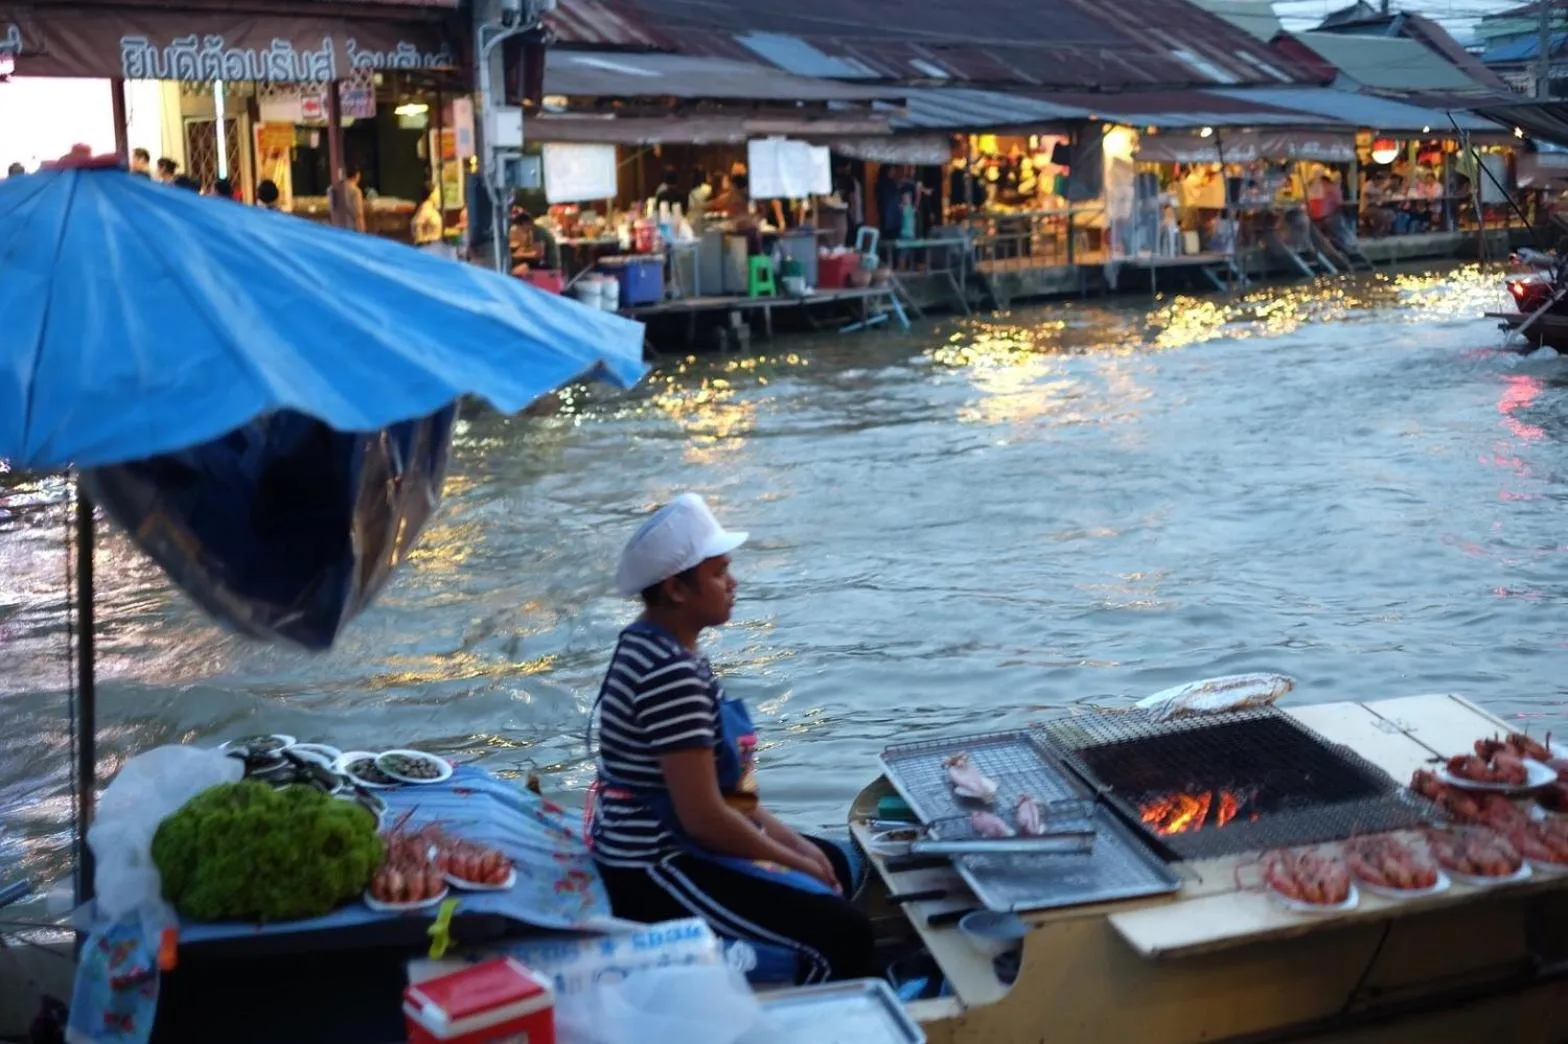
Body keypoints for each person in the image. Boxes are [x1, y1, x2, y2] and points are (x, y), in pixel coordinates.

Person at [586, 494, 874, 984]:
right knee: (845, 936)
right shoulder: (668, 673)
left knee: (836, 864)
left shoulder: (663, 647)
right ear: (676, 589)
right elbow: (703, 819)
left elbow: (732, 799)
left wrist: (801, 853)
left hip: (686, 839)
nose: (733, 583)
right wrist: (792, 860)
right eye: (720, 573)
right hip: (655, 865)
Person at [329, 166, 366, 232]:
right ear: (357, 175)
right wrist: (362, 233)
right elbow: (358, 215)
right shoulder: (355, 191)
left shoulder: (333, 189)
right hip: (351, 230)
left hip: (336, 229)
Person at [412, 181, 444, 250]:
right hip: (429, 248)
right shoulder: (425, 210)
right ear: (431, 195)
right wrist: (421, 244)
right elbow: (417, 226)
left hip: (435, 247)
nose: (438, 196)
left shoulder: (430, 209)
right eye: (437, 193)